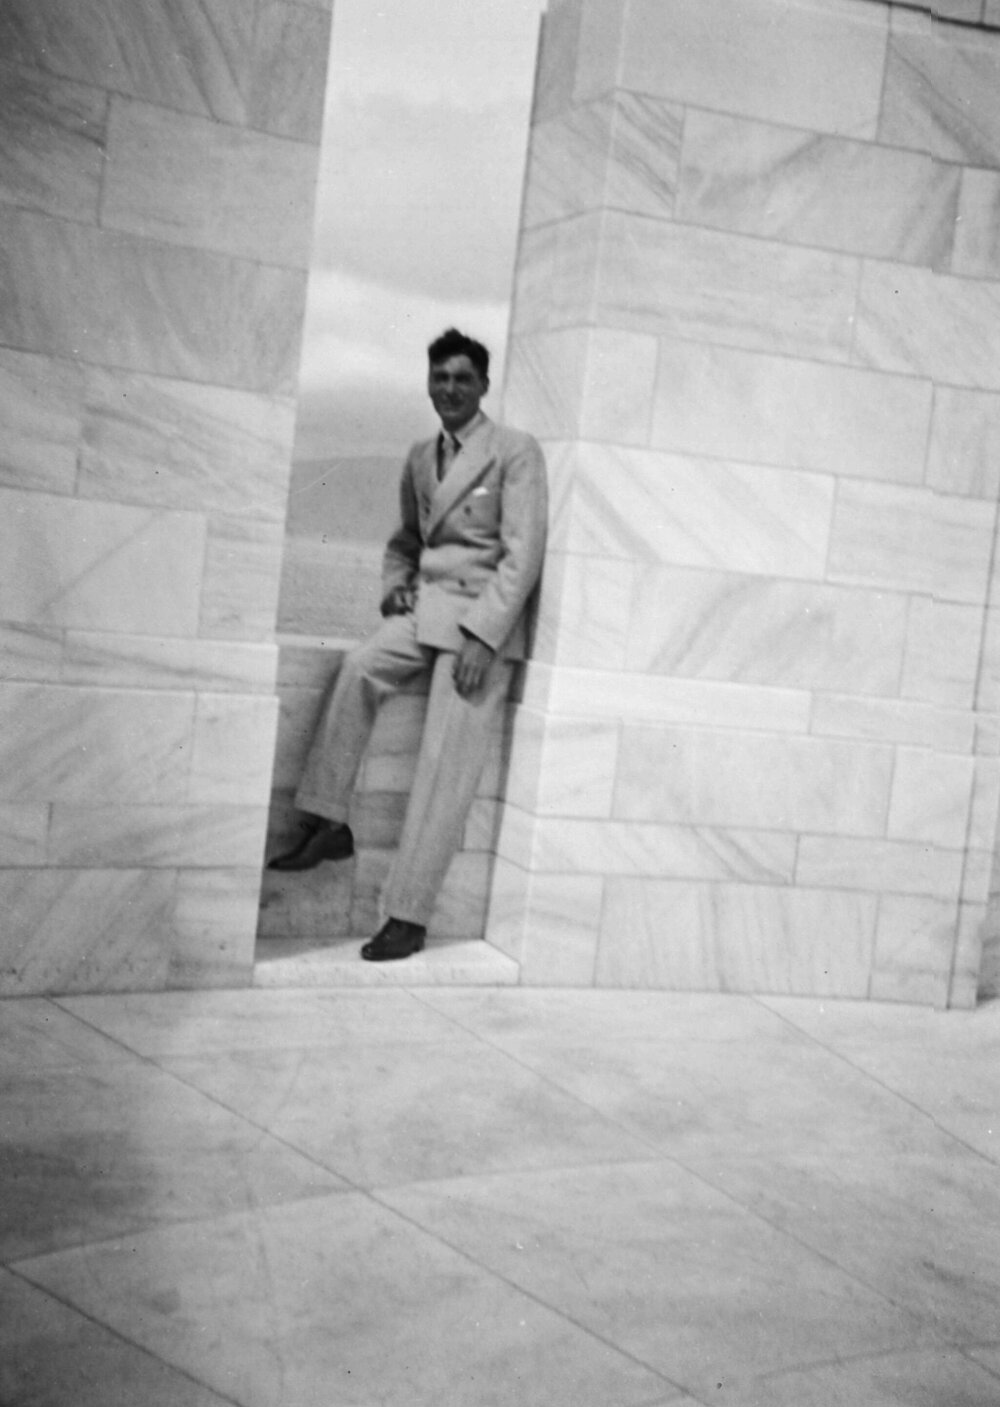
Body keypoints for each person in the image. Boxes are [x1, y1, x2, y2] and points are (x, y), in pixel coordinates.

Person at [268, 328, 548, 962]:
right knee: (356, 667)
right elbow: (405, 542)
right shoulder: (422, 456)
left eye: (462, 378)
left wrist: (485, 637)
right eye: (439, 378)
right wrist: (395, 587)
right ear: (428, 383)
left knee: (444, 767)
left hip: (479, 625)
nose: (449, 389)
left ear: (483, 385)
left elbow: (523, 554)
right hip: (425, 611)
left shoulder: (514, 451)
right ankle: (328, 820)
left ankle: (408, 916)